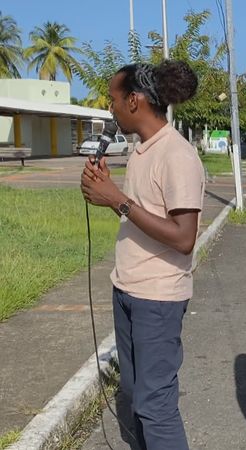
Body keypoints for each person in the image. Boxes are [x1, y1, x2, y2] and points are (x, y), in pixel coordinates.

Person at [80, 60, 203, 450]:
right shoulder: (142, 150)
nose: (111, 108)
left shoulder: (177, 155)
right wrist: (108, 193)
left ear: (134, 101)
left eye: (114, 100)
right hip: (128, 291)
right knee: (136, 395)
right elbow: (142, 209)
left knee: (156, 406)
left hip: (158, 299)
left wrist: (118, 202)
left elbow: (184, 238)